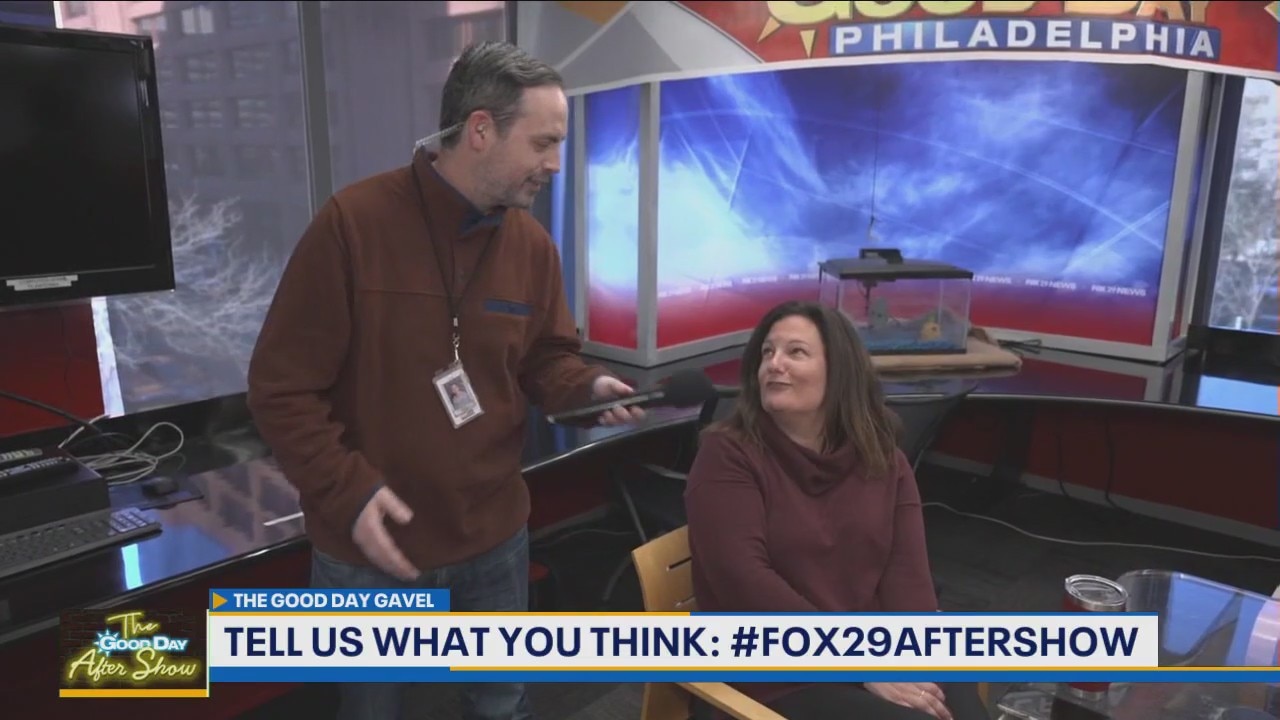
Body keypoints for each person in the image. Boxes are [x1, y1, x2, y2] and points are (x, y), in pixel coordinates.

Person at [246, 41, 644, 720]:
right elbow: (281, 388)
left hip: (494, 536)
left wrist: (586, 389)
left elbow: (547, 359)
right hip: (370, 548)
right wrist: (347, 493)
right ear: (481, 130)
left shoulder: (530, 245)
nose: (555, 163)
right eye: (544, 142)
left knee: (501, 704)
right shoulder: (353, 225)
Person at [683, 300, 988, 720]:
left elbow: (906, 571)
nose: (774, 364)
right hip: (771, 664)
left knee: (959, 701)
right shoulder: (727, 454)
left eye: (795, 352)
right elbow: (744, 581)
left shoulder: (880, 455)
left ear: (839, 371)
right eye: (767, 352)